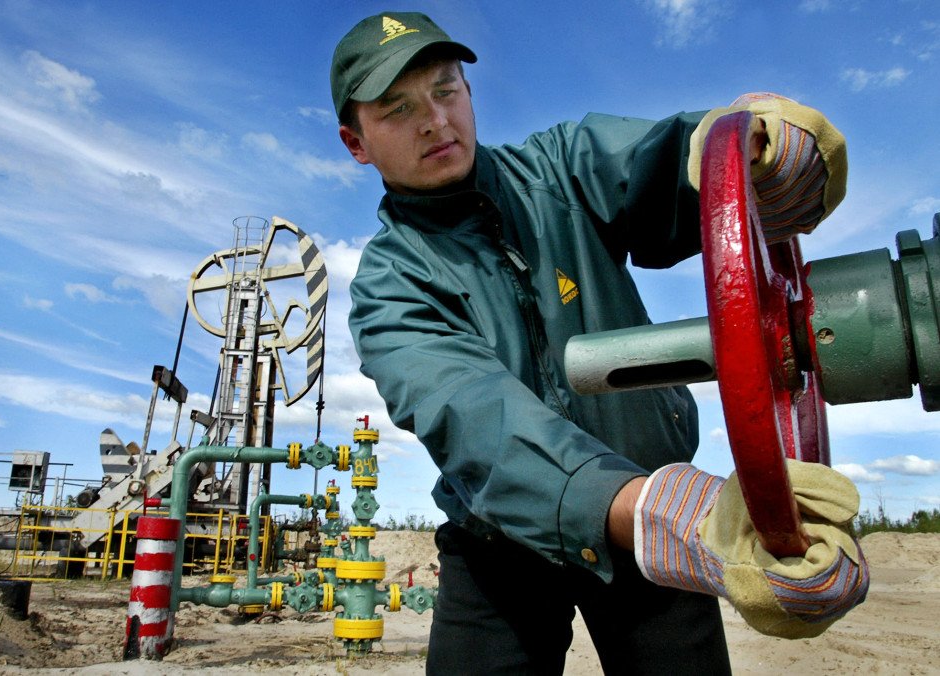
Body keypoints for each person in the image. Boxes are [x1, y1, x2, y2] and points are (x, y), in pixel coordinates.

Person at [331, 11, 868, 675]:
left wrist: (752, 150)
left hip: (649, 510)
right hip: (503, 543)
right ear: (356, 142)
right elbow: (473, 416)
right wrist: (673, 522)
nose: (436, 121)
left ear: (469, 95)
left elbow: (658, 161)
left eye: (447, 91)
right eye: (398, 108)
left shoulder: (559, 169)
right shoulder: (391, 285)